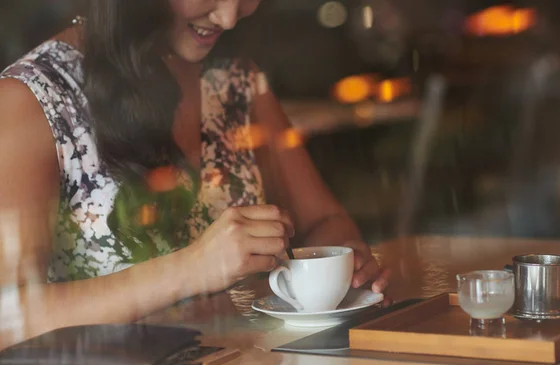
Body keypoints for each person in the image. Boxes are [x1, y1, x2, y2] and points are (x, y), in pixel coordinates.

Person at [0, 0, 391, 341]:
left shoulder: (235, 79)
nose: (230, 16)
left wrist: (344, 265)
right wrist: (191, 270)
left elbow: (324, 220)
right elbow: (8, 316)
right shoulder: (33, 98)